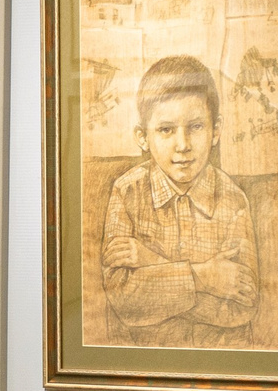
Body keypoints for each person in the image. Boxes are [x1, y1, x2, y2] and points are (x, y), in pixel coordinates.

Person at [100, 53, 257, 346]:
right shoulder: (126, 192)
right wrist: (205, 278)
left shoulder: (234, 201)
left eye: (196, 126)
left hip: (219, 363)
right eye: (166, 129)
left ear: (216, 131)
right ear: (143, 137)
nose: (182, 144)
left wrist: (151, 262)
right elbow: (123, 301)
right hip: (145, 365)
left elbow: (239, 308)